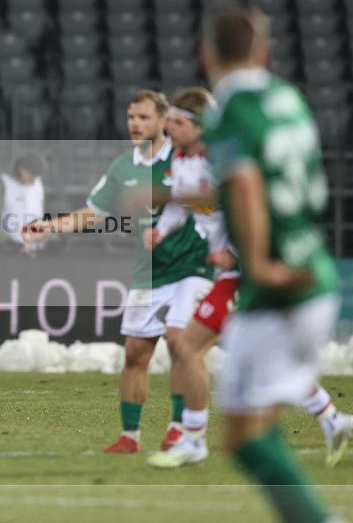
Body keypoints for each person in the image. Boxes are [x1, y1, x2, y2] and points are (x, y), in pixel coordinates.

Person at [140, 88, 353, 470]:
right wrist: (163, 230)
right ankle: (331, 418)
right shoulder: (182, 158)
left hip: (244, 270)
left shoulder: (223, 161)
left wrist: (236, 252)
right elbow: (184, 205)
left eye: (176, 121)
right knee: (254, 357)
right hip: (233, 271)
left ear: (198, 126)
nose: (167, 126)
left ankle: (192, 438)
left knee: (188, 348)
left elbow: (256, 210)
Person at [200, 4, 342, 522]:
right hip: (316, 272)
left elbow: (244, 185)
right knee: (262, 422)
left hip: (277, 287)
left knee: (241, 435)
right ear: (265, 53)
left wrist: (256, 264)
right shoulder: (290, 98)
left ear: (207, 56)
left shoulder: (229, 111)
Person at [22, 90, 212, 454]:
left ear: (163, 121)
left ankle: (178, 428)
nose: (135, 124)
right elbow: (93, 213)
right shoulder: (123, 167)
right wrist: (50, 226)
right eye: (131, 117)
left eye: (143, 117)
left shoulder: (186, 157)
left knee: (178, 343)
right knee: (135, 353)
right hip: (149, 271)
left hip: (192, 265)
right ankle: (130, 437)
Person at [0, 154, 47, 256]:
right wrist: (7, 243)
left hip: (30, 254)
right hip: (1, 255)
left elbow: (37, 217)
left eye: (37, 177)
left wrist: (48, 237)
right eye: (31, 175)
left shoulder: (37, 185)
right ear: (22, 170)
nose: (34, 181)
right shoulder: (0, 184)